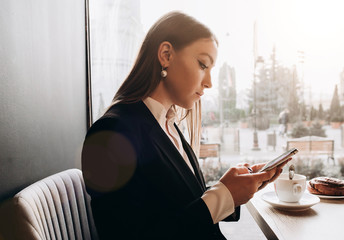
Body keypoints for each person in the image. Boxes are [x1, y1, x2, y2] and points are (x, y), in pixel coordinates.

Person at [81, 11, 288, 240]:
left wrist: (235, 190)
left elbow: (177, 206)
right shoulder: (112, 133)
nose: (209, 82)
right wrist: (223, 196)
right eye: (202, 64)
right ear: (166, 55)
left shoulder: (167, 124)